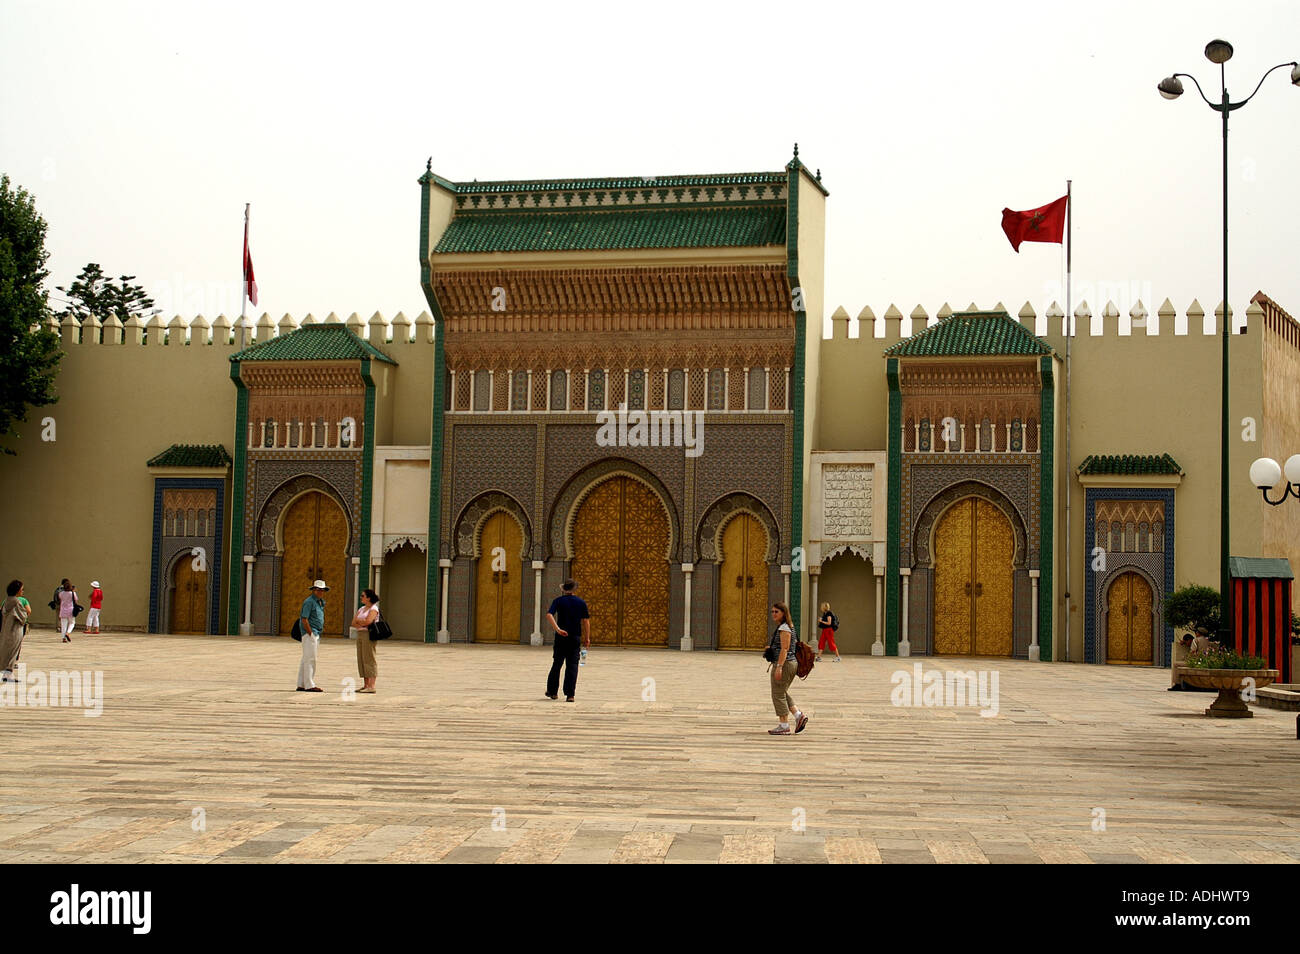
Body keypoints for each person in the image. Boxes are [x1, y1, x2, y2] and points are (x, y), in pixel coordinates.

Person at [545, 579, 590, 702]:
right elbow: (585, 621)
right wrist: (587, 638)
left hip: (561, 637)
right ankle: (570, 694)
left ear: (564, 589)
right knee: (572, 665)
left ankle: (552, 692)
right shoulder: (581, 602)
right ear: (574, 589)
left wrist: (558, 629)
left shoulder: (558, 601)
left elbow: (549, 615)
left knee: (557, 664)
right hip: (575, 637)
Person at [767, 602, 808, 735]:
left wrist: (779, 667)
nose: (773, 614)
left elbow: (785, 648)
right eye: (772, 611)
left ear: (783, 613)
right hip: (789, 663)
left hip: (785, 664)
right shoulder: (787, 626)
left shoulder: (784, 628)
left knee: (778, 694)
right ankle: (798, 715)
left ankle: (784, 725)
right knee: (782, 691)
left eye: (776, 612)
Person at [296, 580, 329, 692]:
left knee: (306, 658)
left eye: (322, 590)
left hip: (316, 632)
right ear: (314, 590)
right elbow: (304, 618)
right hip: (311, 633)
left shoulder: (319, 602)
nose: (320, 592)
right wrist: (310, 633)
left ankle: (301, 683)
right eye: (318, 590)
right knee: (311, 659)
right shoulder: (309, 602)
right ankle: (309, 684)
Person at [351, 588, 380, 693]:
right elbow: (353, 623)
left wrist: (361, 621)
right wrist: (360, 621)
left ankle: (372, 685)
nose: (361, 598)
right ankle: (365, 684)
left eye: (363, 596)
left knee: (369, 658)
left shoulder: (374, 609)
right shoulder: (361, 609)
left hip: (369, 634)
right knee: (362, 658)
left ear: (369, 598)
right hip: (360, 634)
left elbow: (368, 621)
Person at [2, 580, 29, 681]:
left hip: (6, 629)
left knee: (7, 651)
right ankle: (8, 674)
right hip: (15, 630)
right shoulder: (17, 601)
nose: (22, 591)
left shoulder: (7, 600)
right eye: (21, 589)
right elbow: (23, 616)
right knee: (13, 652)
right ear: (17, 590)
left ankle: (6, 673)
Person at [56, 578, 78, 643]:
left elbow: (60, 599)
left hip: (63, 610)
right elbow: (76, 600)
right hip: (70, 610)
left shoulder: (61, 593)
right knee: (72, 623)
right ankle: (68, 633)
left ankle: (63, 638)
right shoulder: (72, 593)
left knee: (63, 624)